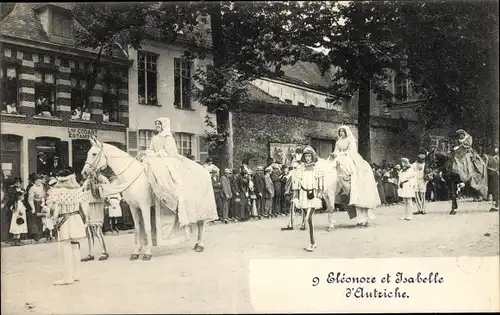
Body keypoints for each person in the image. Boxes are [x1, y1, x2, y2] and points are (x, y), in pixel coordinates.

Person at [138, 117, 218, 250]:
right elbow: (151, 149)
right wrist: (147, 152)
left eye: (159, 124)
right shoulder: (155, 138)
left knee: (165, 173)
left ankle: (173, 194)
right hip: (156, 159)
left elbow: (171, 153)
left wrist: (157, 154)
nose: (157, 126)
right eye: (156, 124)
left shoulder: (168, 137)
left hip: (168, 160)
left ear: (164, 125)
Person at [44, 168, 88, 286]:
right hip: (77, 218)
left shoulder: (56, 192)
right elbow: (84, 206)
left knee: (66, 247)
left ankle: (67, 277)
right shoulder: (78, 190)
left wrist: (47, 211)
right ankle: (76, 274)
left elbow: (52, 209)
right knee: (75, 246)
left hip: (64, 220)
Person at [331, 126, 380, 226]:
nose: (341, 133)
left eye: (343, 131)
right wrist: (335, 155)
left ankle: (352, 176)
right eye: (339, 131)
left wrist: (344, 155)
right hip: (340, 157)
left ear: (346, 132)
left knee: (351, 167)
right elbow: (336, 151)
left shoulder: (350, 140)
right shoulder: (338, 141)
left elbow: (353, 152)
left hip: (349, 157)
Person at [292, 146, 324, 252]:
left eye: (309, 156)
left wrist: (319, 194)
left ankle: (312, 243)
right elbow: (296, 184)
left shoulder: (317, 168)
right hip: (303, 194)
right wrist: (296, 196)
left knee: (308, 218)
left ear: (312, 156)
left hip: (313, 195)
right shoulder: (301, 168)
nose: (308, 158)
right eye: (306, 156)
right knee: (306, 219)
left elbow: (320, 183)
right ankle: (312, 242)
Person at [449, 129, 488, 201]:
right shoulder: (458, 140)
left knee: (467, 161)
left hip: (468, 153)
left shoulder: (468, 138)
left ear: (463, 134)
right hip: (460, 154)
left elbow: (467, 145)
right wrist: (455, 149)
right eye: (459, 135)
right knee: (455, 159)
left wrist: (459, 147)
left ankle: (468, 173)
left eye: (461, 135)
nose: (460, 136)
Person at [81, 170, 110, 262]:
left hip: (97, 205)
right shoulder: (87, 181)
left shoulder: (102, 179)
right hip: (89, 205)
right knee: (89, 230)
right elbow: (83, 190)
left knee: (97, 230)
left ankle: (104, 251)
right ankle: (91, 253)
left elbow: (106, 191)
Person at [27, 174, 46, 240]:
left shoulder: (42, 187)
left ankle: (40, 233)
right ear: (35, 181)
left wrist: (43, 203)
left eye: (40, 181)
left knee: (40, 218)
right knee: (34, 219)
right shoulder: (32, 188)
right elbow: (30, 199)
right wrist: (33, 208)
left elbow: (43, 196)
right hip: (35, 204)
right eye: (38, 181)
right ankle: (35, 234)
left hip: (40, 204)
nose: (39, 183)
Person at [412, 149, 428, 215]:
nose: (421, 159)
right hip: (415, 180)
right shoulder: (413, 164)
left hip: (422, 180)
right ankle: (419, 209)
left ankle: (423, 209)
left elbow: (427, 173)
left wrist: (426, 180)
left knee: (422, 195)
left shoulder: (426, 165)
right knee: (416, 195)